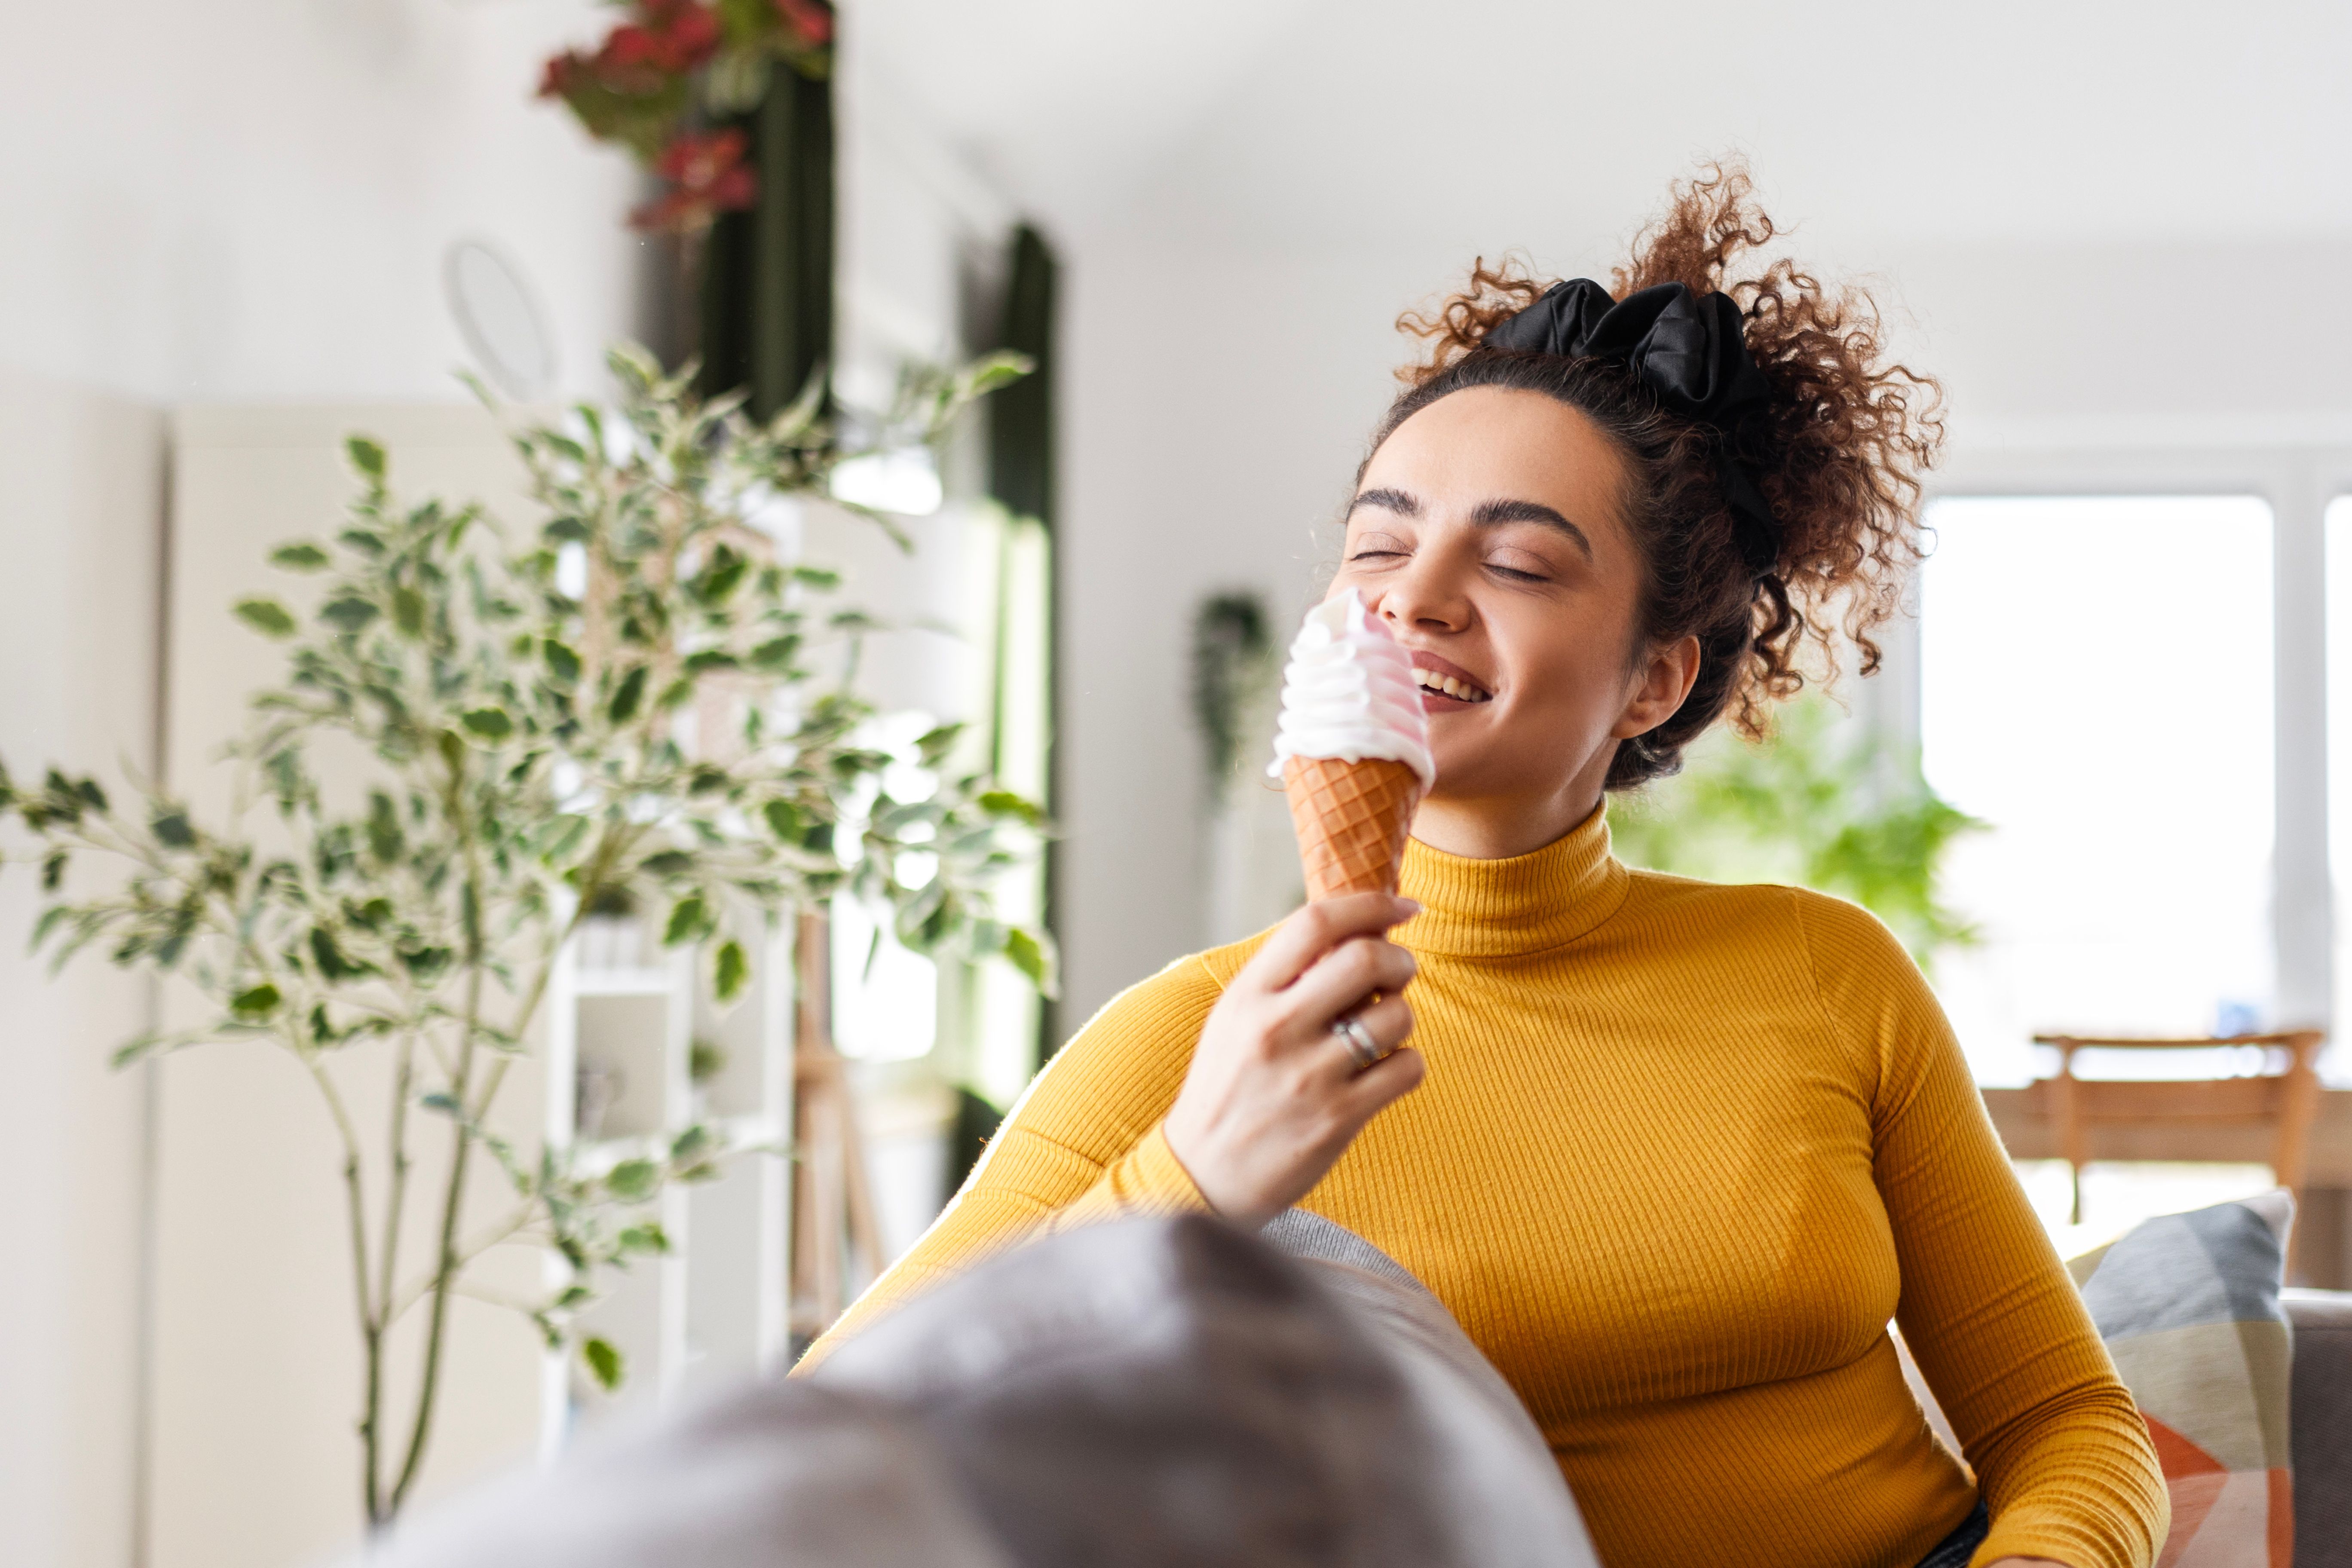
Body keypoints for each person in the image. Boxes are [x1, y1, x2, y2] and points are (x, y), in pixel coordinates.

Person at [800, 166, 2168, 1568]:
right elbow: (814, 1455)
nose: (1411, 594)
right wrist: (1193, 1176)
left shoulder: (1826, 975)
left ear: (1653, 679)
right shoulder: (1197, 1042)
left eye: (1515, 561)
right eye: (1379, 540)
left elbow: (2067, 1418)